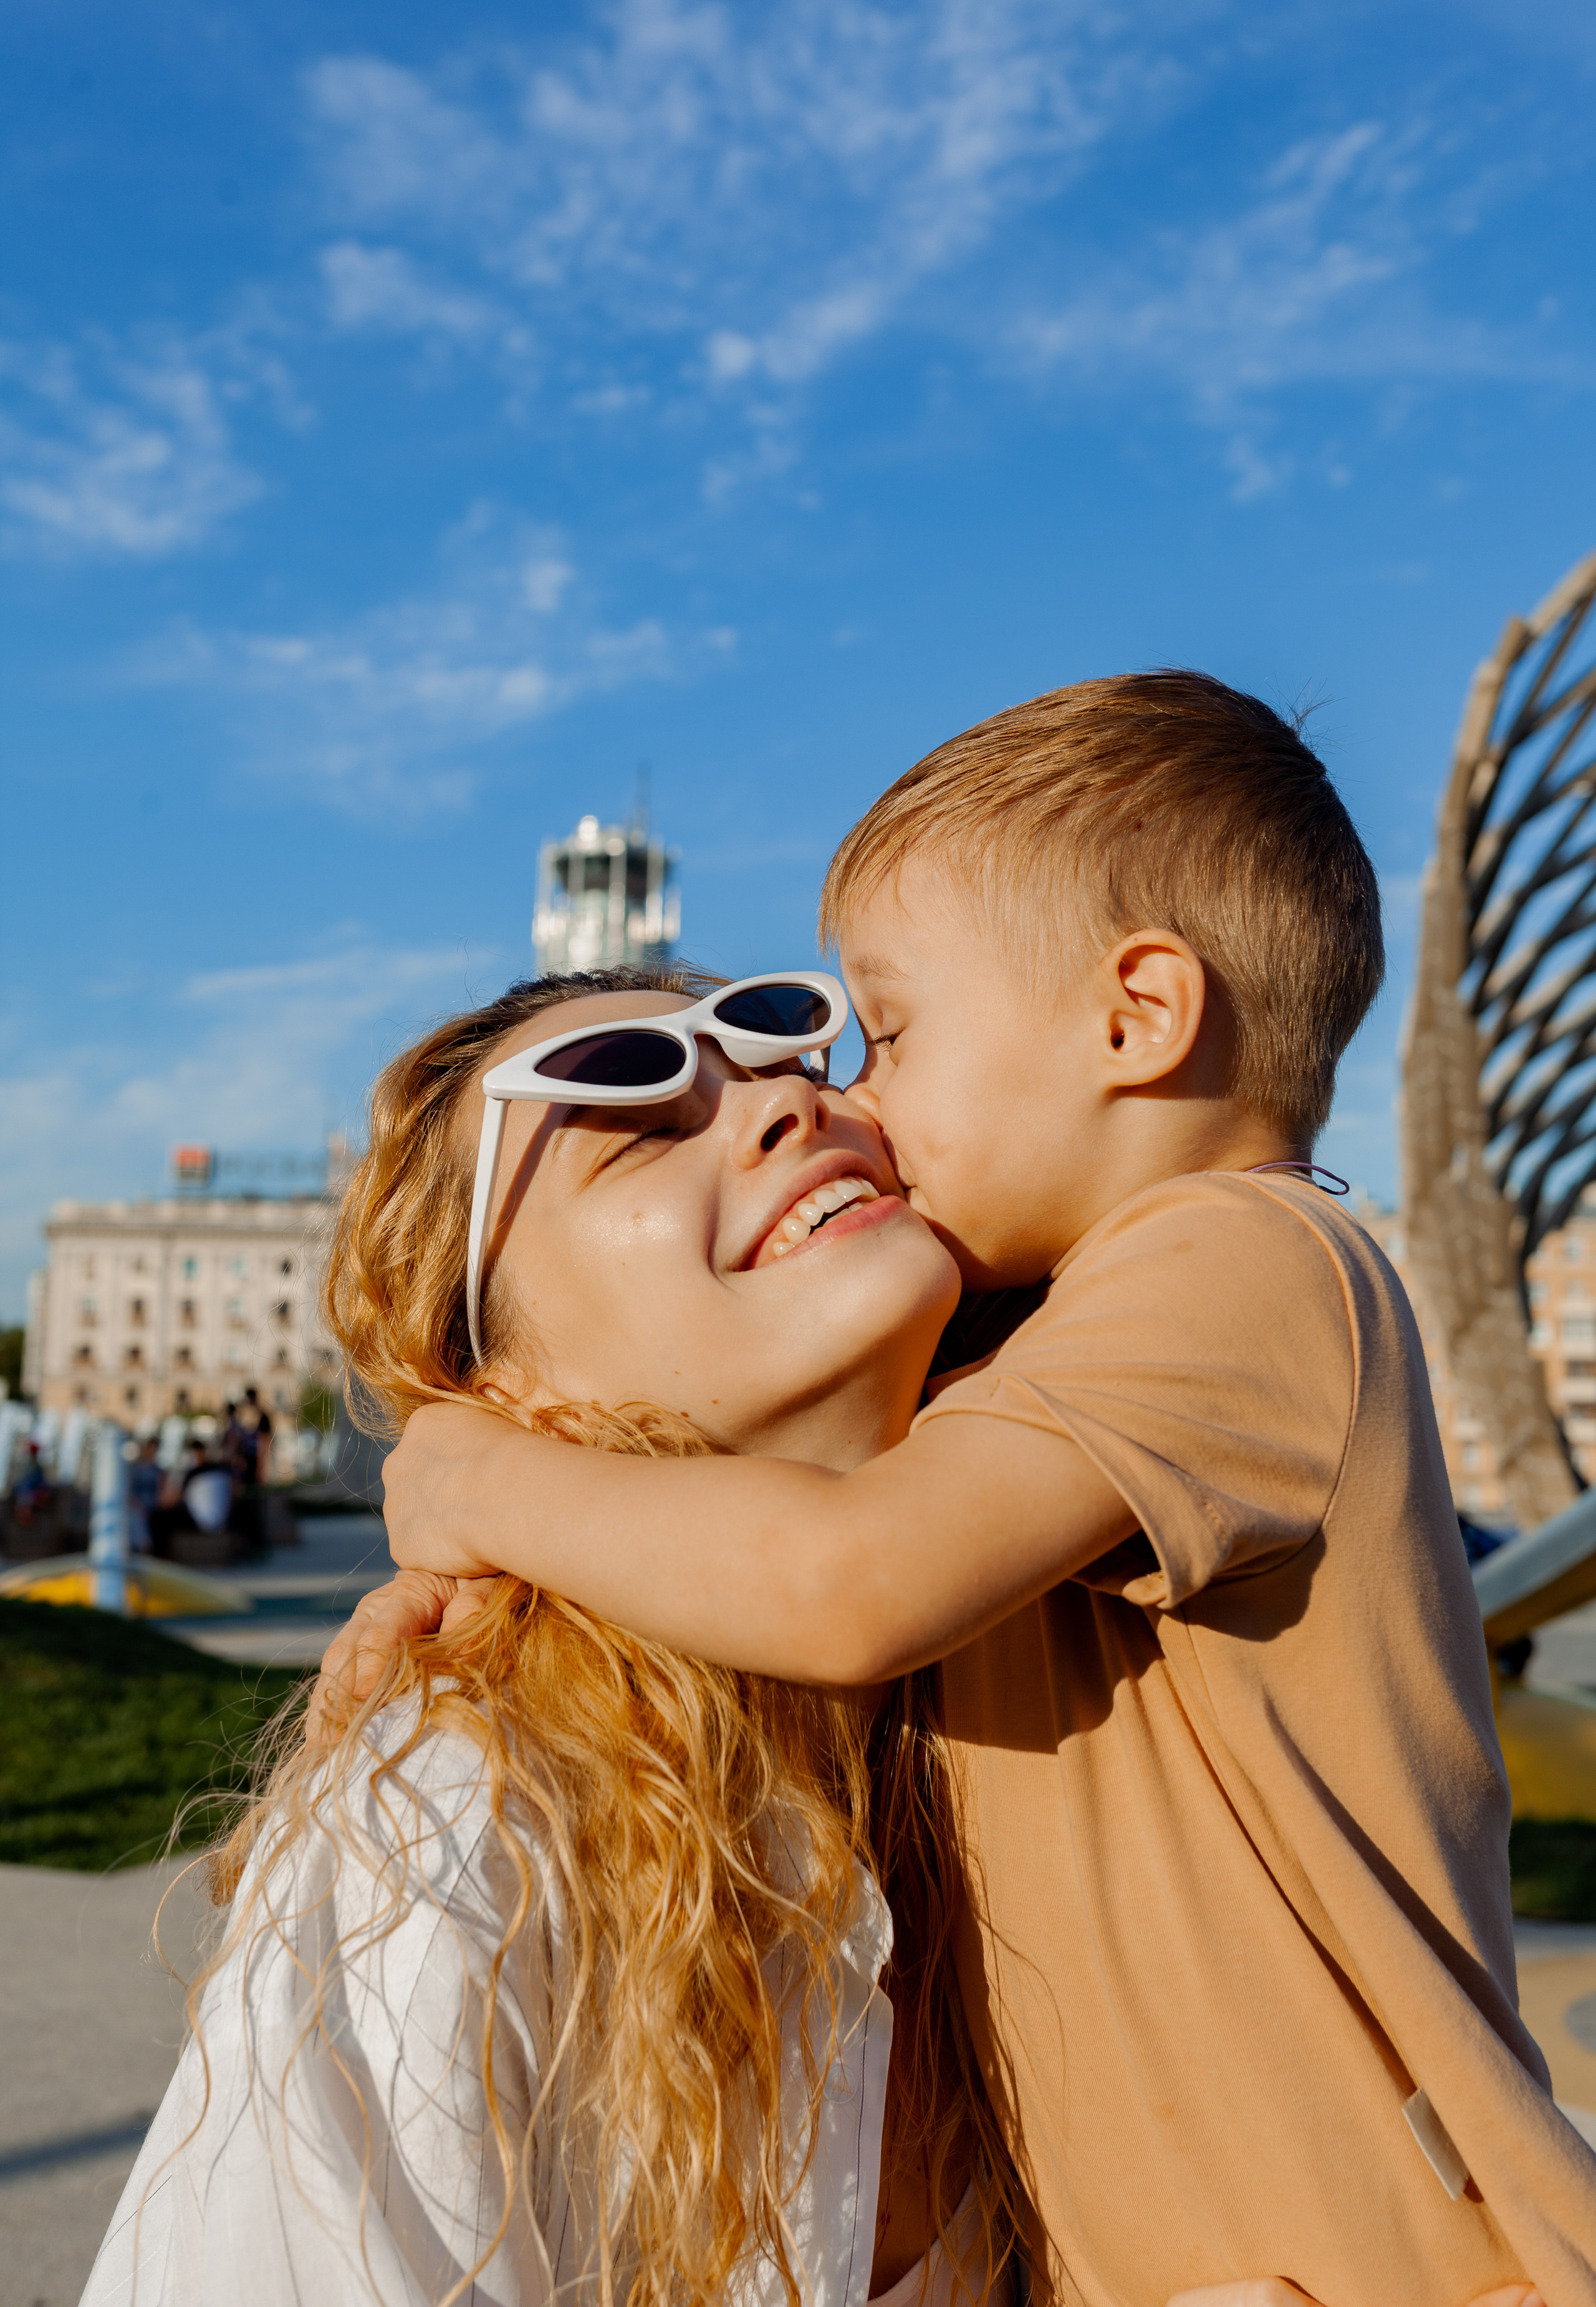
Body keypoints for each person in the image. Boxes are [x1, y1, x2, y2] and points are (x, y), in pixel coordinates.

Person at [331, 676, 1596, 2306]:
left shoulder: (1252, 1259)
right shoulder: (1041, 1351)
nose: (850, 1094)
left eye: (896, 1027)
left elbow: (845, 1584)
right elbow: (749, 1500)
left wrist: (465, 1476)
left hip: (1409, 2270)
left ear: (1137, 1017)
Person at [82, 968, 1029, 2307]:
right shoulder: (454, 1832)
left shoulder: (1069, 1694)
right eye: (633, 1109)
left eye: (779, 1048)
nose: (780, 1102)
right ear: (496, 1388)